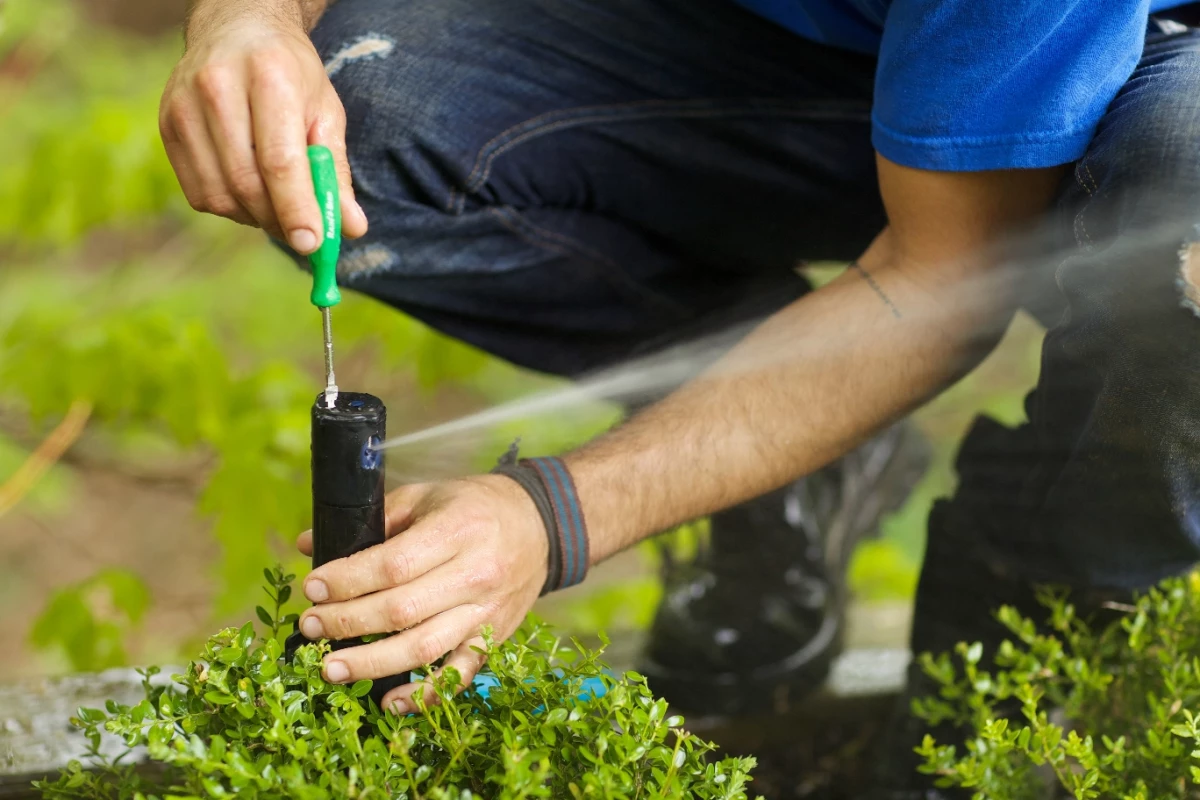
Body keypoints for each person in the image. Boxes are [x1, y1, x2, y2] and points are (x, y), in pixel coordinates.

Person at [161, 0, 1200, 793]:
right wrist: (243, 17)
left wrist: (553, 513)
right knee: (368, 108)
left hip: (1134, 62)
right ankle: (795, 443)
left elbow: (943, 278)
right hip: (812, 41)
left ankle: (1020, 688)